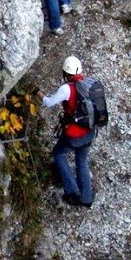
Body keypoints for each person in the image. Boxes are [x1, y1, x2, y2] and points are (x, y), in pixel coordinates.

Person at [39, 55, 96, 207]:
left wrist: (38, 94)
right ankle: (87, 198)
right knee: (82, 160)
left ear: (66, 73)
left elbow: (49, 103)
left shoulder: (66, 89)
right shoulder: (89, 85)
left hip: (74, 135)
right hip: (89, 131)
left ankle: (72, 192)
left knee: (59, 153)